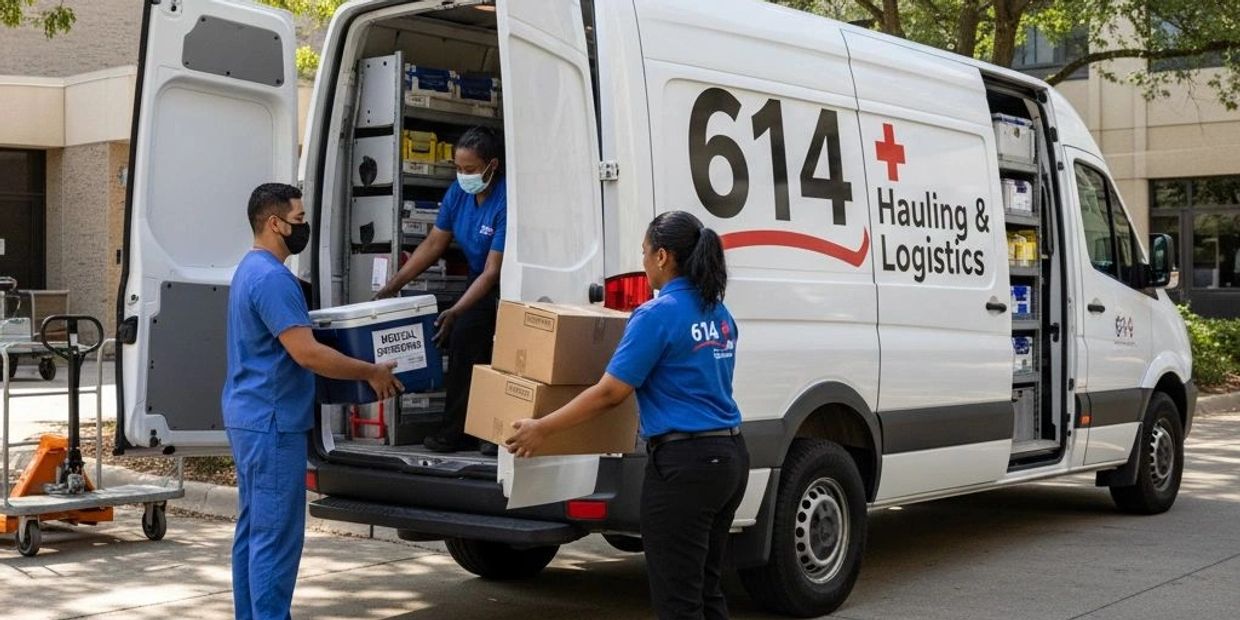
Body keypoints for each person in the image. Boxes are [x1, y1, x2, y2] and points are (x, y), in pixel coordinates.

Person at [506, 211, 749, 620]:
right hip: (729, 459)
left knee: (678, 602)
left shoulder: (657, 314)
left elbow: (610, 393)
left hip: (683, 468)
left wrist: (542, 428)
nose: (642, 260)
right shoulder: (717, 313)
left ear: (663, 257)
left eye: (644, 252)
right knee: (706, 591)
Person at [222, 183, 404, 620]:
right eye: (299, 221)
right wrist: (369, 371)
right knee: (277, 538)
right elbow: (307, 353)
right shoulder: (273, 279)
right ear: (274, 223)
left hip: (249, 417)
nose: (303, 228)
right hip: (273, 422)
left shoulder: (248, 270)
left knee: (253, 532)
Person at [375, 126, 506, 455]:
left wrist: (457, 310)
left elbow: (493, 272)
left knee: (480, 341)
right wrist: (392, 286)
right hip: (477, 279)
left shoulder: (505, 201)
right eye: (458, 169)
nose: (463, 175)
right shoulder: (458, 195)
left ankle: (487, 432)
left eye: (470, 170)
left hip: (507, 283)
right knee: (463, 342)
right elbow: (434, 243)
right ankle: (460, 429)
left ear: (493, 166)